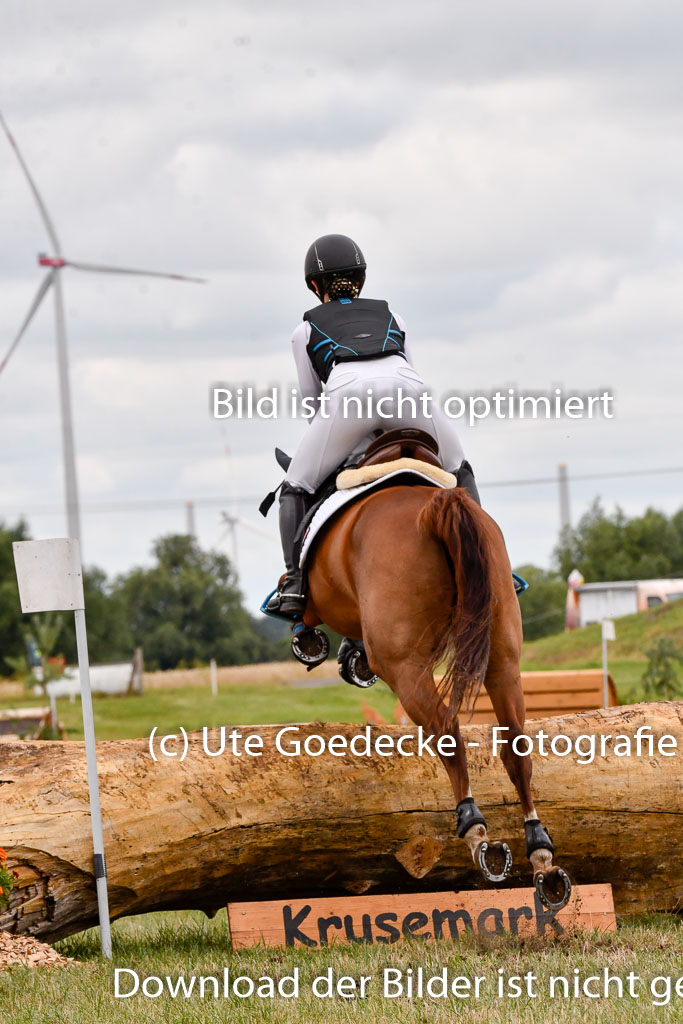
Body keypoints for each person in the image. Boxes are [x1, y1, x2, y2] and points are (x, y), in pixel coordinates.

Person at [265, 233, 480, 618]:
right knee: (458, 470)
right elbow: (409, 369)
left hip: (347, 400)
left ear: (315, 286)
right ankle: (485, 565)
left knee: (295, 487)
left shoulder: (305, 330)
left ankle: (295, 585)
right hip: (409, 396)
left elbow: (313, 402)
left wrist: (347, 445)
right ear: (361, 279)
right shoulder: (394, 316)